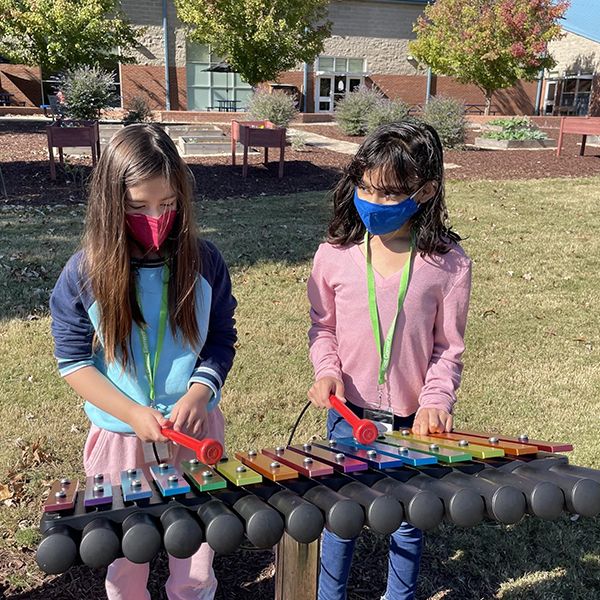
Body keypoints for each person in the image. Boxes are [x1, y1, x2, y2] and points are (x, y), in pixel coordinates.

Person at [49, 124, 237, 600]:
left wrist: (200, 392)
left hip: (195, 434)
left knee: (194, 557)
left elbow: (220, 339)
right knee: (124, 559)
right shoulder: (84, 273)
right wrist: (132, 413)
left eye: (168, 204)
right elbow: (73, 362)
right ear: (112, 203)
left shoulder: (205, 263)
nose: (156, 217)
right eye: (138, 207)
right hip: (119, 441)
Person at [307, 121, 472, 600]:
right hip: (347, 416)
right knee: (340, 518)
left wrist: (436, 398)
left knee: (407, 522)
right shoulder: (333, 256)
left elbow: (449, 348)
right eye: (365, 189)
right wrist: (327, 371)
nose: (375, 204)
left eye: (390, 193)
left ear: (426, 190)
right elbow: (324, 330)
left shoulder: (450, 263)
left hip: (413, 423)